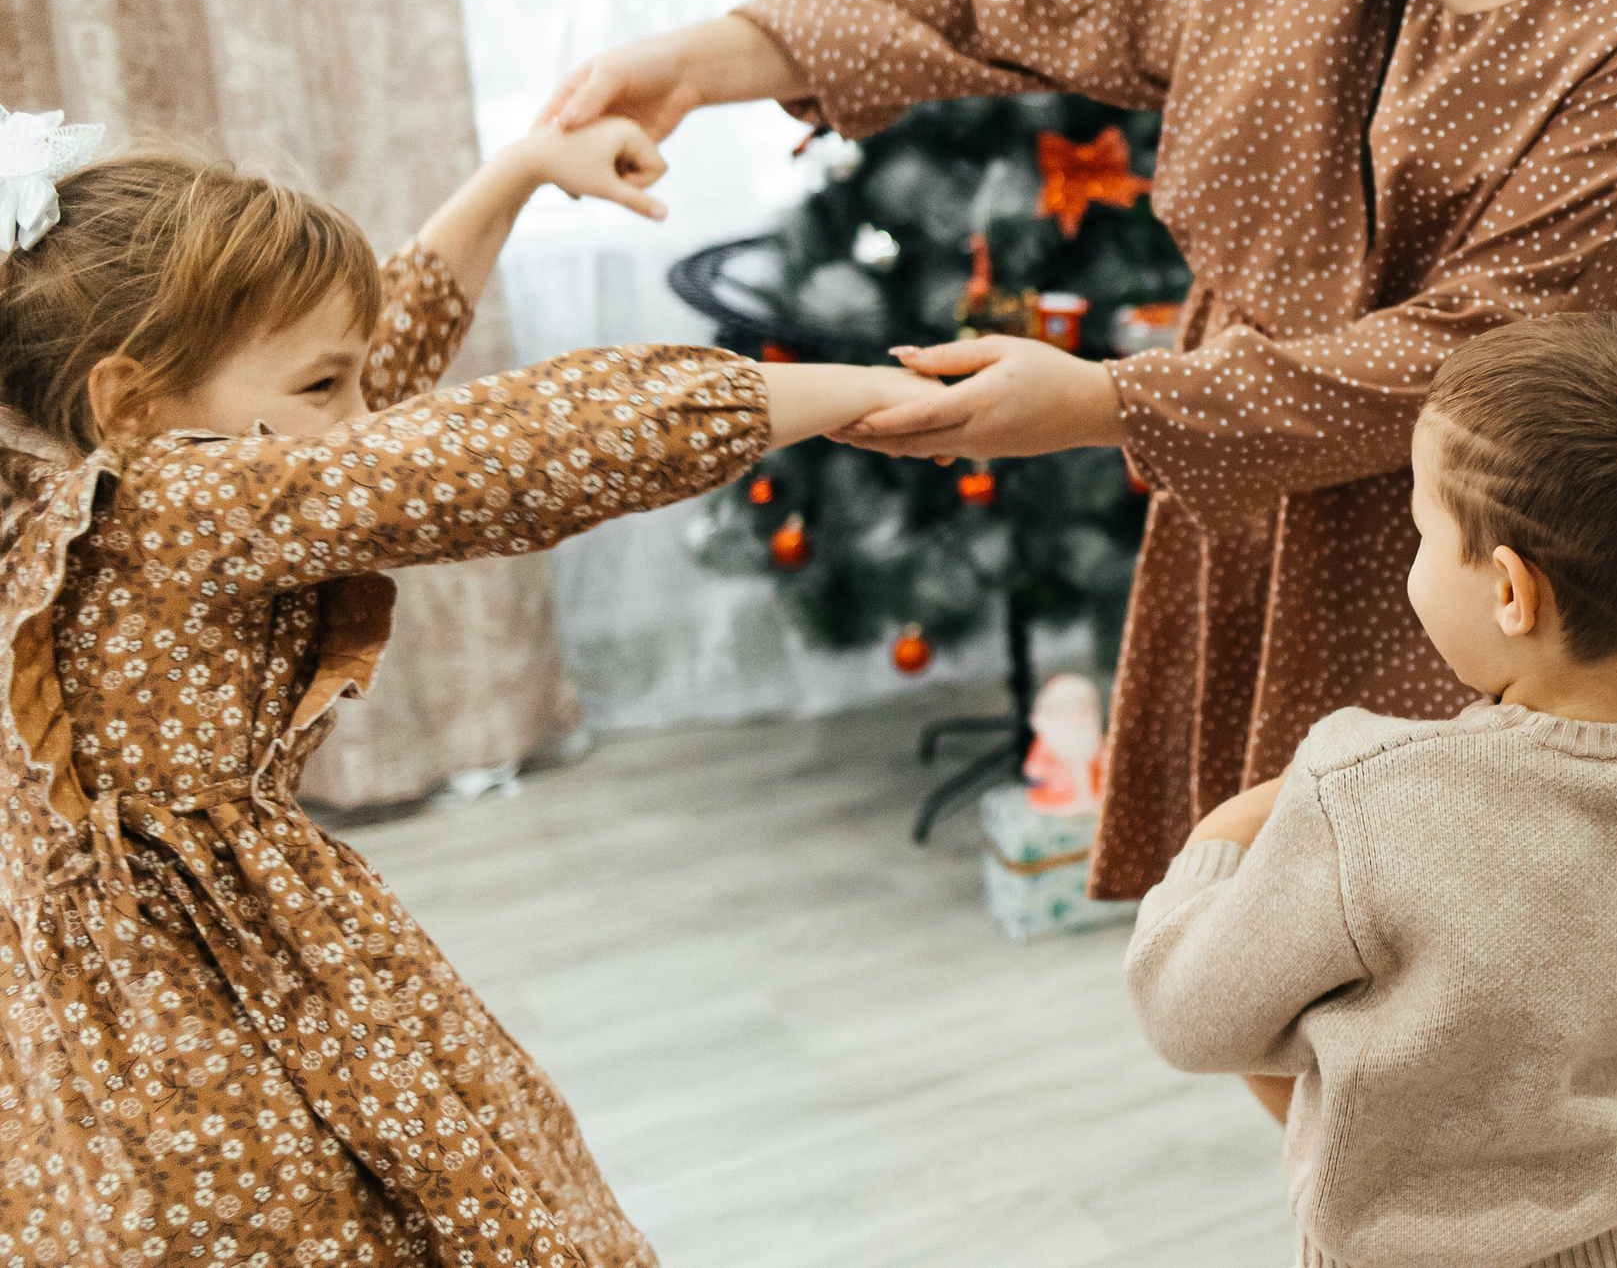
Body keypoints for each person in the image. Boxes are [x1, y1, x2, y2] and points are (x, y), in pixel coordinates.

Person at [540, 0, 1617, 900]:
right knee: (1227, 929)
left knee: (1407, 952)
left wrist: (1103, 403)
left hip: (1465, 559)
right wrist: (713, 56)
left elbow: (1466, 359)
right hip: (1232, 514)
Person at [0, 109, 934, 1266]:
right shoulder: (186, 505)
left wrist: (518, 174)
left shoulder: (65, 494)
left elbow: (363, 382)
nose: (362, 416)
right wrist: (839, 392)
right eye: (327, 387)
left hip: (96, 1028)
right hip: (216, 1015)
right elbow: (499, 450)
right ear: (132, 402)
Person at [1122, 311, 1617, 1268]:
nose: (1412, 557)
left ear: (1511, 591)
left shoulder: (1369, 800)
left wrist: (1222, 829)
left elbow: (1183, 1009)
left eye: (1423, 530)